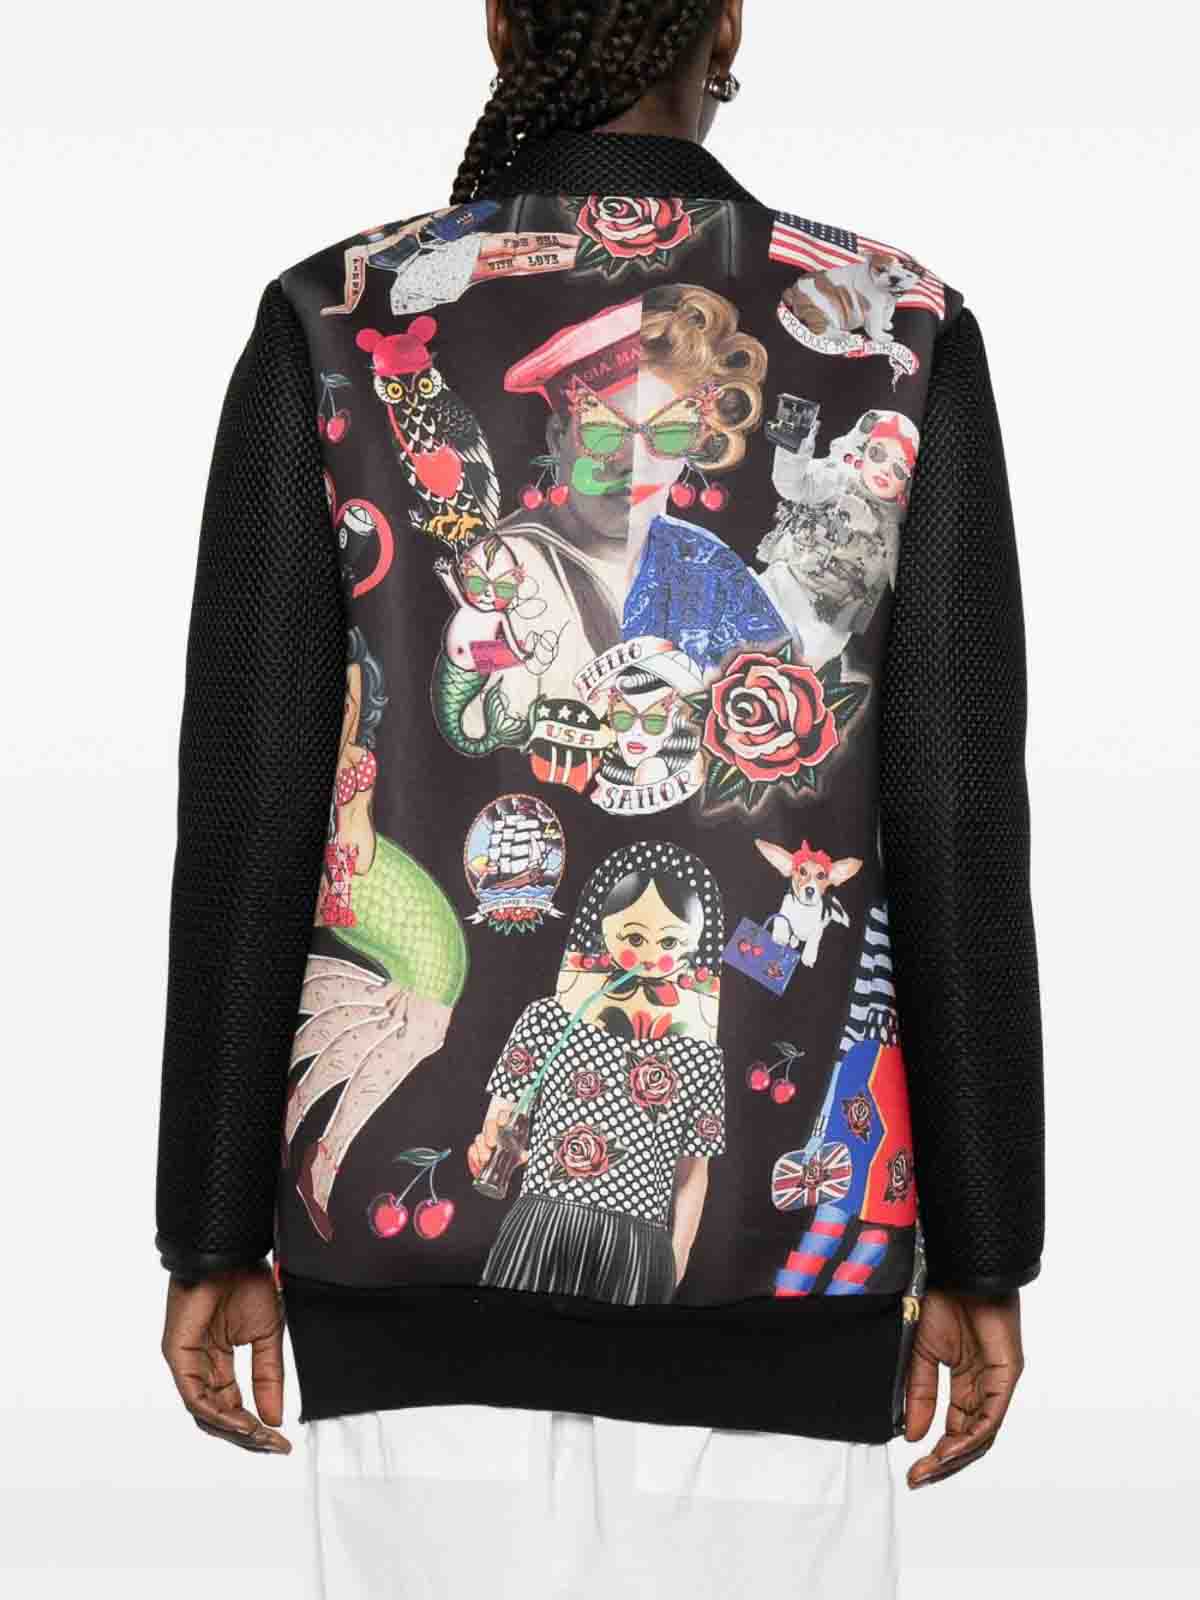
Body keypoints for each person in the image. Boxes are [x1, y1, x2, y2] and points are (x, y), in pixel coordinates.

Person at [156, 3, 1045, 1597]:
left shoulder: (330, 316)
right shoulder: (902, 334)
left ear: (502, 20)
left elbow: (250, 795)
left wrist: (208, 1219)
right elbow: (958, 814)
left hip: (404, 1277)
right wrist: (987, 1240)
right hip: (778, 1264)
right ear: (728, 19)